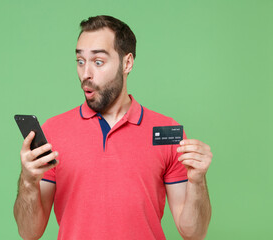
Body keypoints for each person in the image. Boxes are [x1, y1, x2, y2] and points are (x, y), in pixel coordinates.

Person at [14, 15, 212, 240]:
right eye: (80, 61)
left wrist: (197, 182)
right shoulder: (53, 131)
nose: (86, 73)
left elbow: (193, 233)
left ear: (127, 63)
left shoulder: (167, 131)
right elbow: (28, 232)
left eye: (98, 62)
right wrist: (28, 182)